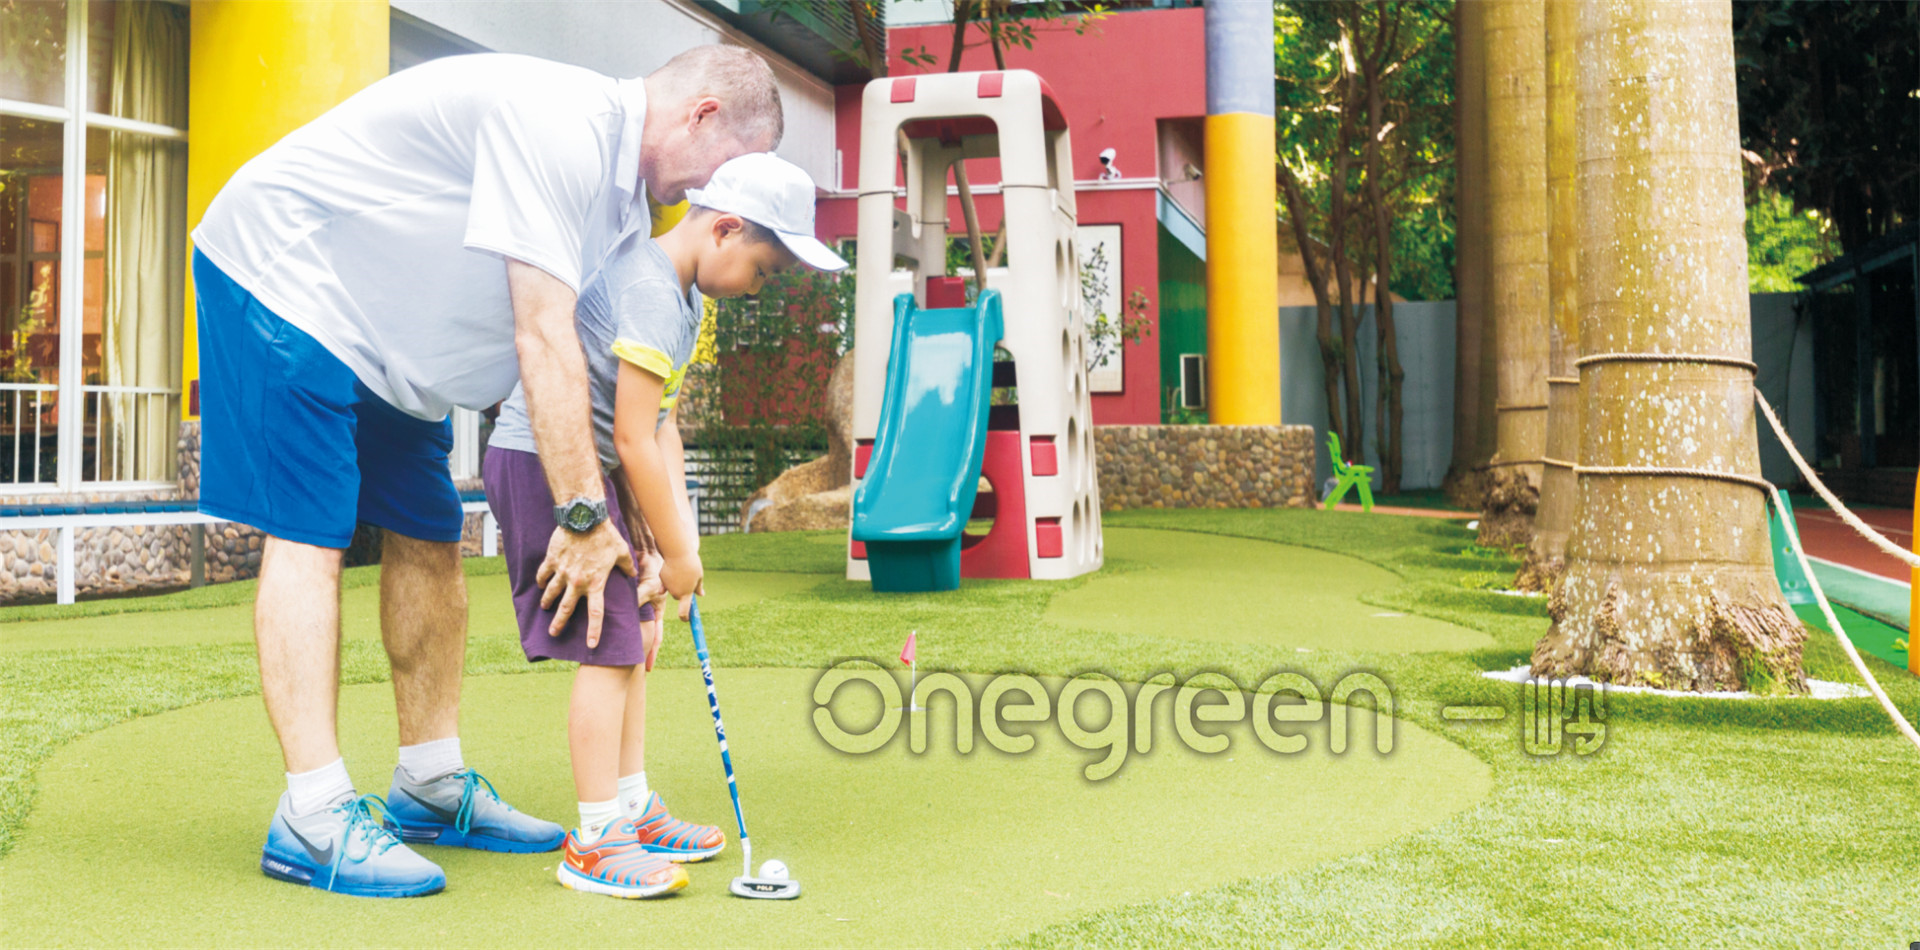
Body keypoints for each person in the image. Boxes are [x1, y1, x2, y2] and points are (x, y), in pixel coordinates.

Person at [190, 46, 783, 898]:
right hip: (291, 280)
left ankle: (428, 784)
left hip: (398, 349)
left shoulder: (626, 210)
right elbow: (542, 335)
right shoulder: (561, 125)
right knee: (312, 531)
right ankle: (312, 814)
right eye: (722, 171)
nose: (710, 197)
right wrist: (583, 519)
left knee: (430, 530)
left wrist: (643, 530)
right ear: (701, 116)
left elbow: (603, 379)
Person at [483, 153, 846, 899]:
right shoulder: (650, 291)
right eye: (764, 269)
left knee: (638, 630)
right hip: (545, 467)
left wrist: (681, 536)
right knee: (610, 639)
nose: (758, 286)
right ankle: (594, 839)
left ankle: (631, 804)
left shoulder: (686, 301)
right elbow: (628, 438)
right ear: (727, 230)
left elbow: (662, 425)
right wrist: (675, 552)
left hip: (600, 467)